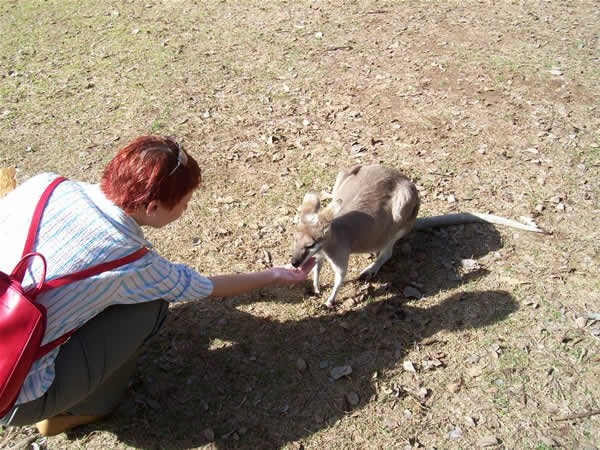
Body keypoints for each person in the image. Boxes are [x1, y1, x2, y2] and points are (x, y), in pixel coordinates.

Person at [0, 135, 313, 436]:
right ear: (151, 207)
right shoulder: (131, 259)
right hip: (14, 390)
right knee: (151, 306)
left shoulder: (45, 184)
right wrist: (273, 275)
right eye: (184, 204)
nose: (185, 211)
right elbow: (203, 287)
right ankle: (79, 409)